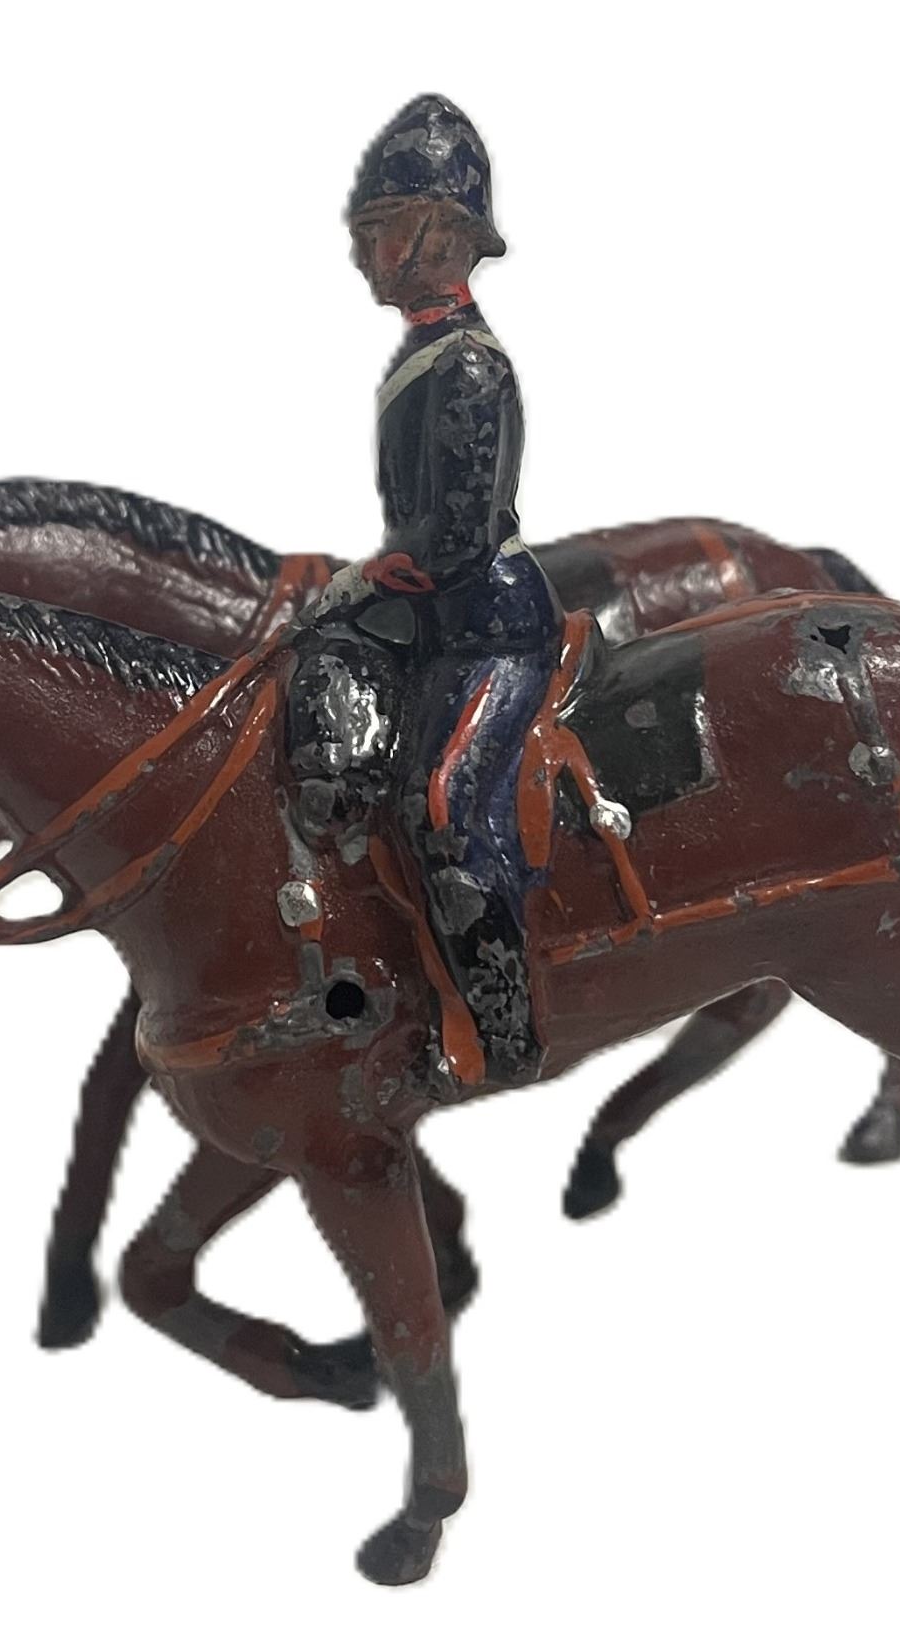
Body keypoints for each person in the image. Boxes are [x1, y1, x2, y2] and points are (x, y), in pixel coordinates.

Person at [294, 94, 562, 1084]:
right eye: (365, 231)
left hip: (493, 623)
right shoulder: (420, 357)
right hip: (436, 622)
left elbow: (451, 542)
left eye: (381, 229)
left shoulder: (470, 370)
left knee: (444, 802)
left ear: (436, 234)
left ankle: (505, 1031)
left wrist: (360, 582)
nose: (363, 251)